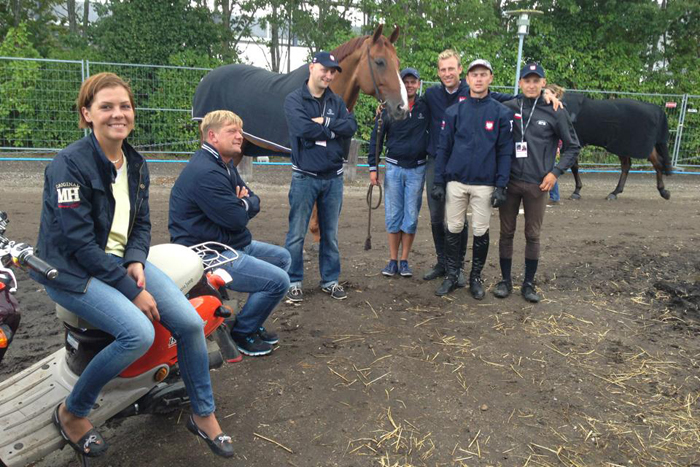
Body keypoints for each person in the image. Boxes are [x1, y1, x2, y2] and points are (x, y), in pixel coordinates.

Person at [32, 73, 234, 458]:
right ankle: (73, 411)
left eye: (124, 106)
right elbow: (78, 244)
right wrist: (132, 290)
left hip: (117, 262)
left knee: (190, 323)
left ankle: (203, 414)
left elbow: (140, 224)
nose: (118, 114)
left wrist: (136, 260)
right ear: (87, 114)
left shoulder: (136, 164)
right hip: (70, 271)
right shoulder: (68, 165)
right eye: (106, 106)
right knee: (137, 333)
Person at [169, 110, 290, 357]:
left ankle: (249, 320)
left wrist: (242, 203)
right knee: (279, 281)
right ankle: (243, 333)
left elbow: (253, 199)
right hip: (208, 252)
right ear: (212, 136)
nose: (240, 136)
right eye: (232, 131)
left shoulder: (223, 164)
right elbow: (236, 219)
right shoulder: (206, 171)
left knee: (283, 258)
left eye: (240, 131)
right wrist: (242, 205)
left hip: (229, 242)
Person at [423, 50, 514, 286]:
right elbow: (442, 146)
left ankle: (471, 275)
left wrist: (501, 184)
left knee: (476, 228)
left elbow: (505, 149)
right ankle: (449, 270)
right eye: (443, 69)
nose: (479, 79)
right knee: (447, 223)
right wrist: (440, 181)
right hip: (452, 174)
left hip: (481, 179)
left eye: (483, 75)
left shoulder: (497, 109)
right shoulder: (442, 103)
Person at [496, 63, 581, 302]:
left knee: (532, 235)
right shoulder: (509, 107)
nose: (531, 85)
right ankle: (505, 281)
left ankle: (528, 284)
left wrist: (555, 173)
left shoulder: (555, 110)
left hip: (538, 185)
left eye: (536, 81)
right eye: (527, 80)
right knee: (506, 233)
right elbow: (482, 95)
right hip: (510, 182)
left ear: (543, 83)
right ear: (520, 83)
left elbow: (573, 146)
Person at [283, 51, 358, 302]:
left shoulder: (336, 101)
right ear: (312, 67)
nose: (328, 75)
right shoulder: (294, 100)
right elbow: (302, 128)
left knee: (330, 234)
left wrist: (323, 123)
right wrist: (334, 129)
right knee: (296, 233)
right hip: (305, 177)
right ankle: (293, 281)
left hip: (333, 178)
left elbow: (351, 126)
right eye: (324, 69)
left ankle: (330, 280)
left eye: (332, 71)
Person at [368, 67, 429, 277]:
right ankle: (392, 260)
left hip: (417, 169)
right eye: (406, 81)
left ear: (418, 84)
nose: (410, 85)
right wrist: (373, 168)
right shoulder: (388, 108)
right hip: (393, 168)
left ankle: (404, 260)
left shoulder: (426, 107)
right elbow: (376, 139)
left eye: (413, 81)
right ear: (401, 84)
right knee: (393, 215)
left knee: (410, 217)